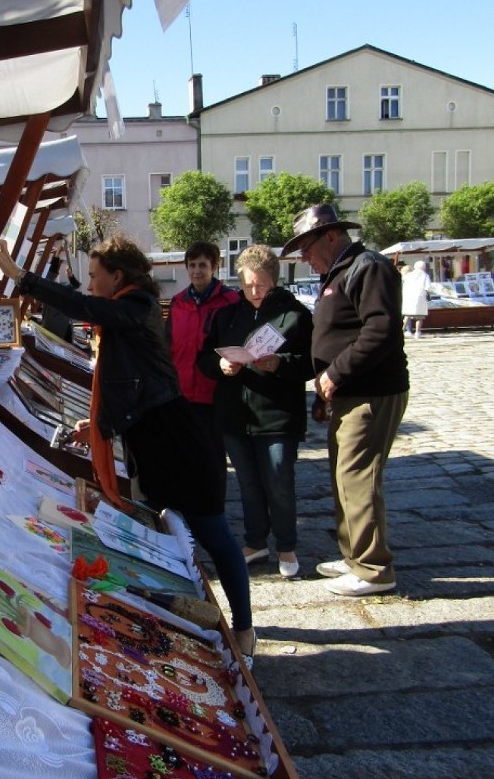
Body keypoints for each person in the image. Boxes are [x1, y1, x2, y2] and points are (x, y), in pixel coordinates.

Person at [0, 234, 255, 661]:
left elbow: (90, 309)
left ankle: (244, 629)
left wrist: (23, 278)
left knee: (213, 535)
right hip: (151, 443)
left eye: (94, 276)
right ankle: (186, 625)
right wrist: (94, 423)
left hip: (178, 443)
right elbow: (127, 382)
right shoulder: (126, 312)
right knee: (167, 542)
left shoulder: (136, 306)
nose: (90, 284)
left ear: (117, 276)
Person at [281, 204, 409, 596]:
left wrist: (336, 373)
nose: (304, 256)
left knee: (359, 478)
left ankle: (373, 568)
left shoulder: (367, 267)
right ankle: (354, 555)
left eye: (306, 247)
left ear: (331, 236)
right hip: (349, 393)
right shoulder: (341, 271)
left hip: (371, 391)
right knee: (344, 476)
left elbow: (380, 331)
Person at [198, 244, 313, 580]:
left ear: (274, 281)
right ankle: (255, 541)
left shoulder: (295, 316)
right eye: (248, 285)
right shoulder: (227, 315)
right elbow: (204, 359)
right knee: (248, 484)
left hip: (277, 415)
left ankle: (287, 545)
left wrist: (281, 363)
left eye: (260, 285)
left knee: (279, 481)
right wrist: (220, 365)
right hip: (236, 415)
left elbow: (311, 363)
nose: (254, 291)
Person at [165, 241, 239, 496]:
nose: (197, 271)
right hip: (182, 394)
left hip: (214, 395)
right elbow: (168, 346)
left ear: (214, 267)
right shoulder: (177, 302)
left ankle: (214, 508)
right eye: (193, 265)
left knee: (213, 459)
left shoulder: (230, 301)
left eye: (203, 265)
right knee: (184, 457)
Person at [39, 238, 81, 343]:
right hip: (53, 334)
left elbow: (75, 285)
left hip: (59, 333)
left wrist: (58, 253)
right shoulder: (50, 294)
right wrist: (57, 253)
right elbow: (75, 285)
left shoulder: (51, 294)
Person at [401, 260, 431, 338]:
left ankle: (402, 331)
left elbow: (404, 282)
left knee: (407, 315)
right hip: (420, 297)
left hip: (409, 296)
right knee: (419, 316)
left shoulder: (409, 275)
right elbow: (428, 287)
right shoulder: (425, 275)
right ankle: (417, 332)